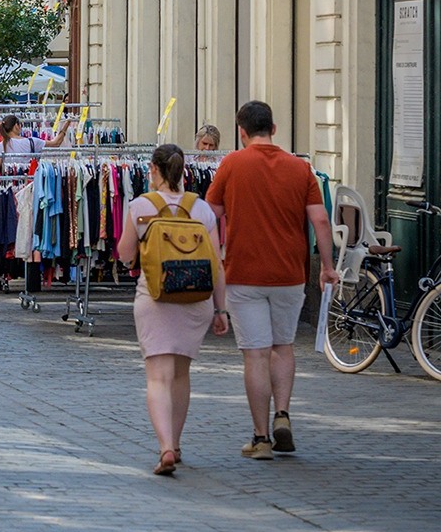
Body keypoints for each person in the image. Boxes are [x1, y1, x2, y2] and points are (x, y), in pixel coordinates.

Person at [206, 100, 339, 461]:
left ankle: (261, 437)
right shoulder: (301, 169)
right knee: (283, 347)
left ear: (241, 131)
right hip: (289, 274)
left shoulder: (231, 164)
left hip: (243, 273)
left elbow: (210, 215)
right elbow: (321, 221)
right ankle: (283, 414)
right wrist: (327, 267)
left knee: (255, 354)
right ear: (274, 129)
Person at [116, 143, 228, 476]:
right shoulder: (202, 208)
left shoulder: (140, 206)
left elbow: (124, 253)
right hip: (196, 300)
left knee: (157, 376)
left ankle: (164, 446)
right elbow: (217, 264)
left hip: (155, 297)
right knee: (180, 374)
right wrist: (221, 310)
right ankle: (176, 444)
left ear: (153, 170)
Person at [0, 112, 74, 165]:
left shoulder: (0, 146)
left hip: (8, 186)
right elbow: (56, 143)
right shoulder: (32, 142)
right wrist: (65, 126)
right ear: (16, 126)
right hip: (30, 184)